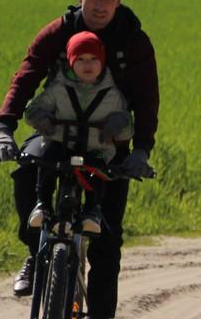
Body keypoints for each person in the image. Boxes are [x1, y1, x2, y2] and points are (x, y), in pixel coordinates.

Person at [0, 0, 158, 319]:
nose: (101, 5)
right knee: (28, 167)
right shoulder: (57, 32)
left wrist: (142, 150)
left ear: (119, 1)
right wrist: (4, 128)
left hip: (107, 145)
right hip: (58, 134)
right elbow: (25, 75)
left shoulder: (134, 41)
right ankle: (33, 251)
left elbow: (147, 98)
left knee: (107, 241)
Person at [24, 31, 133, 236]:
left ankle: (92, 211)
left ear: (102, 62)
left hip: (95, 147)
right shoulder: (58, 88)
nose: (88, 65)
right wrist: (42, 119)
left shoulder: (112, 93)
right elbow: (32, 109)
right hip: (60, 143)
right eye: (80, 59)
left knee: (97, 170)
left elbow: (126, 124)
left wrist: (118, 124)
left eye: (93, 59)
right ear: (71, 62)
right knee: (46, 159)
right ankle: (42, 205)